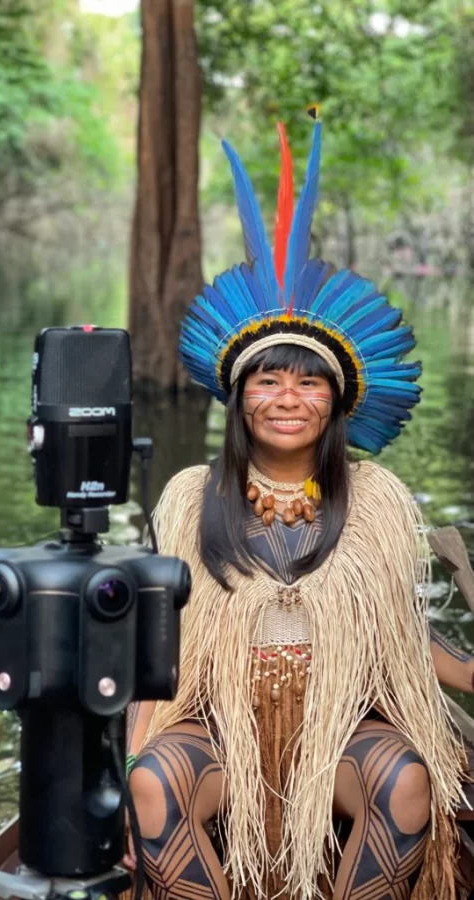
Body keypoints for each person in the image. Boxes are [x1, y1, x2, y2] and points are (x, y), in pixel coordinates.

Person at [123, 111, 471, 900]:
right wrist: (130, 751)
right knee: (152, 783)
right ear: (237, 397)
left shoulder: (376, 498)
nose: (288, 398)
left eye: (308, 380)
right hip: (219, 729)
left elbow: (408, 641)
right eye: (268, 380)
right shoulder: (186, 497)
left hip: (342, 723)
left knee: (406, 779)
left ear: (338, 398)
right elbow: (156, 651)